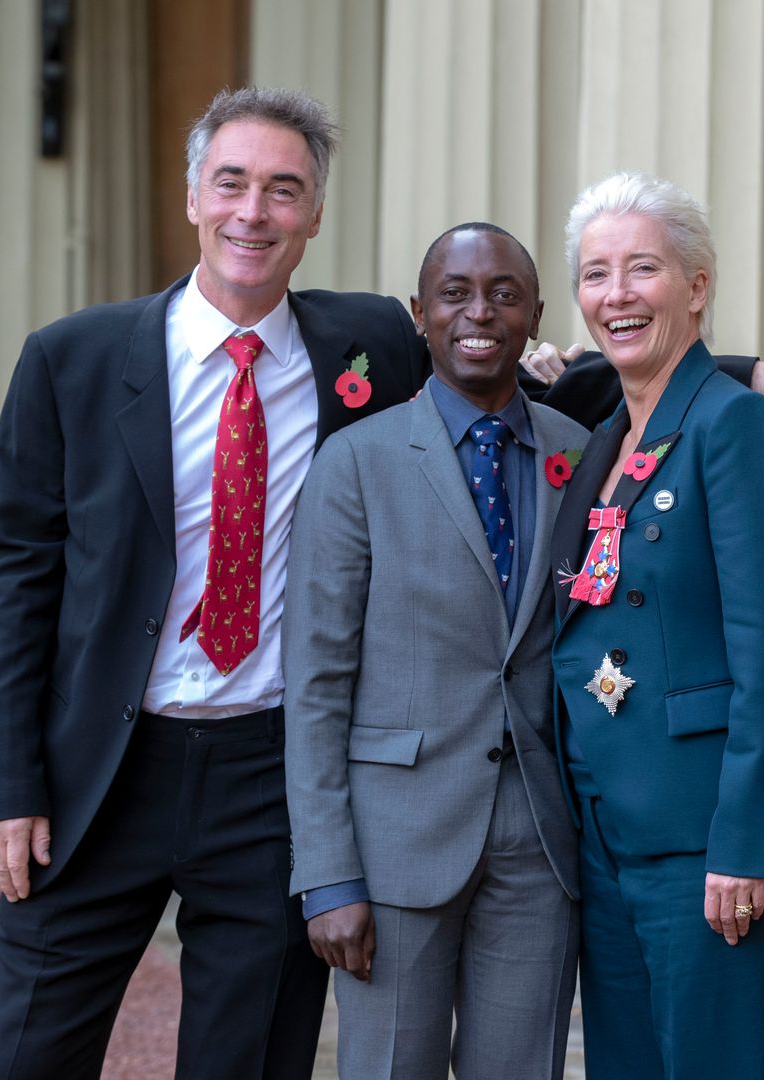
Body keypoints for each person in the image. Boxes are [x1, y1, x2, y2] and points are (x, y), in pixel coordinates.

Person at [0, 87, 433, 1078]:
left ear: (315, 216)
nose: (254, 212)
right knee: (27, 1050)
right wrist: (11, 783)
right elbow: (16, 580)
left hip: (272, 778)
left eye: (285, 190)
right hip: (95, 774)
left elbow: (500, 369)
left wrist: (754, 373)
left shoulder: (368, 346)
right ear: (194, 194)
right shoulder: (73, 360)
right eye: (232, 183)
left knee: (247, 1061)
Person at [281, 223, 588, 1080]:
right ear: (419, 314)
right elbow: (315, 684)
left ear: (534, 314)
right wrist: (329, 877)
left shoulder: (581, 456)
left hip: (538, 843)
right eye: (454, 293)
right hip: (391, 849)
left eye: (502, 293)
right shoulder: (355, 463)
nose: (477, 312)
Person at [548, 172, 764, 1079]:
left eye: (642, 270)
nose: (615, 295)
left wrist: (747, 843)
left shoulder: (736, 426)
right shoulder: (602, 438)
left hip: (709, 845)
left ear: (697, 286)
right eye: (595, 274)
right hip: (607, 837)